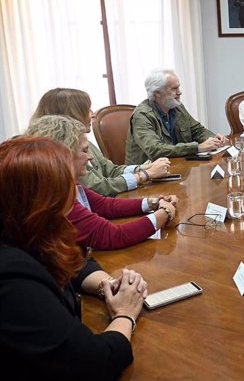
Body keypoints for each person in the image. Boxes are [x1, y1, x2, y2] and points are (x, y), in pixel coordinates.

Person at [0, 136, 148, 380]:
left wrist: (106, 285)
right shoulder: (12, 280)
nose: (75, 194)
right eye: (68, 185)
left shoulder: (24, 231)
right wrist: (125, 314)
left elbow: (68, 260)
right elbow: (94, 363)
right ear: (44, 200)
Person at [26, 115, 178, 250]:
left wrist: (152, 203)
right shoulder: (55, 199)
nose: (90, 157)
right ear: (63, 156)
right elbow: (113, 236)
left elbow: (104, 205)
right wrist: (164, 213)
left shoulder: (61, 183)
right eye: (84, 151)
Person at [31, 87, 171, 197]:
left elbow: (110, 169)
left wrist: (142, 168)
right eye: (87, 110)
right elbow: (98, 187)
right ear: (71, 114)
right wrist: (144, 175)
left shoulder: (81, 140)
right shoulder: (60, 151)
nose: (92, 114)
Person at [126, 69, 227, 164]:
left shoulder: (177, 106)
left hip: (177, 166)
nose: (179, 92)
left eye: (178, 87)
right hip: (147, 175)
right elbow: (155, 150)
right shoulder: (142, 116)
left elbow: (197, 130)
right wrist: (197, 147)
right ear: (157, 93)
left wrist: (213, 139)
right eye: (174, 89)